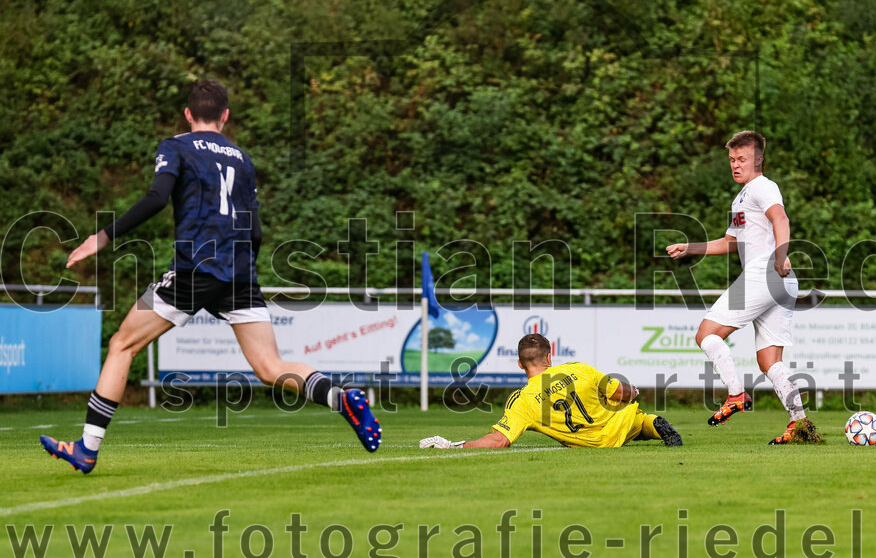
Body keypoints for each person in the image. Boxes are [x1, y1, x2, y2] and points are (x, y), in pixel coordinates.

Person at [41, 79, 381, 474]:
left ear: (188, 114)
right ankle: (343, 398)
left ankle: (87, 447)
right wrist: (243, 275)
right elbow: (255, 230)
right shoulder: (242, 159)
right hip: (239, 273)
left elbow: (156, 198)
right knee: (270, 366)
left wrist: (103, 236)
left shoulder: (176, 146)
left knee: (122, 345)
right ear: (225, 116)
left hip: (193, 268)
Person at [666, 130, 820, 445]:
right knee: (770, 362)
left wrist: (780, 255)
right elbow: (728, 243)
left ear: (758, 160)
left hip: (766, 273)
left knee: (706, 334)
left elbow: (782, 219)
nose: (736, 165)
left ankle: (736, 394)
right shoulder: (742, 196)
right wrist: (689, 248)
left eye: (742, 159)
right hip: (781, 281)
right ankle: (801, 426)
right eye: (732, 160)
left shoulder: (763, 187)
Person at [419, 333, 682, 449]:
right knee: (637, 418)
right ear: (550, 356)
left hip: (590, 445)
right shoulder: (578, 368)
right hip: (621, 426)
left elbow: (499, 441)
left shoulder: (521, 401)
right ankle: (653, 425)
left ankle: (648, 426)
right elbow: (620, 393)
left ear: (520, 364)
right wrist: (633, 390)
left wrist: (455, 446)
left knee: (615, 428)